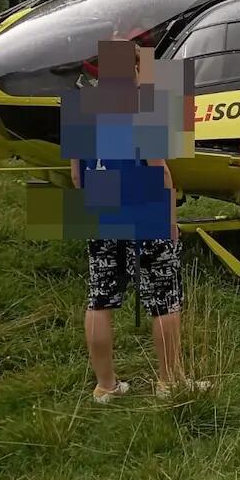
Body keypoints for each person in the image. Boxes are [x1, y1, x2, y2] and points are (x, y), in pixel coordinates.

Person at [70, 41, 208, 403]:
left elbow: (76, 175)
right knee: (164, 300)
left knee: (99, 299)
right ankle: (169, 382)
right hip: (144, 208)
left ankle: (105, 386)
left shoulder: (81, 108)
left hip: (100, 210)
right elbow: (158, 170)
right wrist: (170, 221)